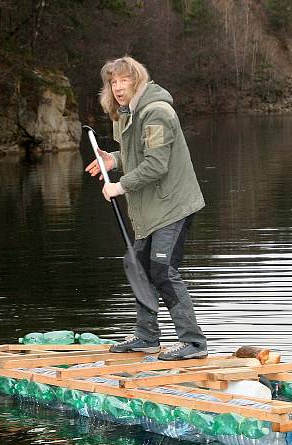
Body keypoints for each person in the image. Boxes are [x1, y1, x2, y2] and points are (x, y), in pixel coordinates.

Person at [84, 56, 207, 361]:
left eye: (124, 80)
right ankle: (147, 337)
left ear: (137, 81)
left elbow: (155, 165)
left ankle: (193, 343)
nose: (118, 87)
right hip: (150, 210)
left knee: (162, 269)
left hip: (173, 205)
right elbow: (138, 154)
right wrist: (114, 158)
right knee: (140, 266)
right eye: (113, 82)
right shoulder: (127, 115)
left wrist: (119, 186)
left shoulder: (156, 113)